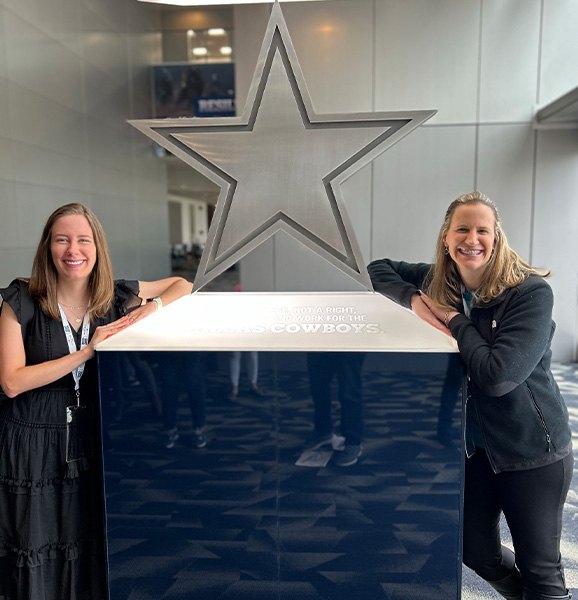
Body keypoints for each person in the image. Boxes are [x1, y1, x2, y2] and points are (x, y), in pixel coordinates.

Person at [368, 191, 573, 600]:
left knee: (542, 571)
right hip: (473, 450)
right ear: (446, 236)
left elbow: (497, 376)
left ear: (497, 237)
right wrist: (412, 299)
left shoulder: (528, 293)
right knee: (474, 551)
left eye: (483, 230)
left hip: (531, 450)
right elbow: (376, 268)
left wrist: (453, 319)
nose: (472, 239)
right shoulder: (437, 281)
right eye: (462, 229)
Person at [0, 203, 192, 599]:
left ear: (97, 247)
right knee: (35, 541)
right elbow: (12, 382)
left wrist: (148, 310)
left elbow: (183, 285)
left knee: (87, 541)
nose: (74, 250)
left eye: (83, 240)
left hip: (91, 437)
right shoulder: (20, 299)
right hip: (32, 441)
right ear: (47, 248)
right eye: (62, 240)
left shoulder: (116, 295)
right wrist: (87, 352)